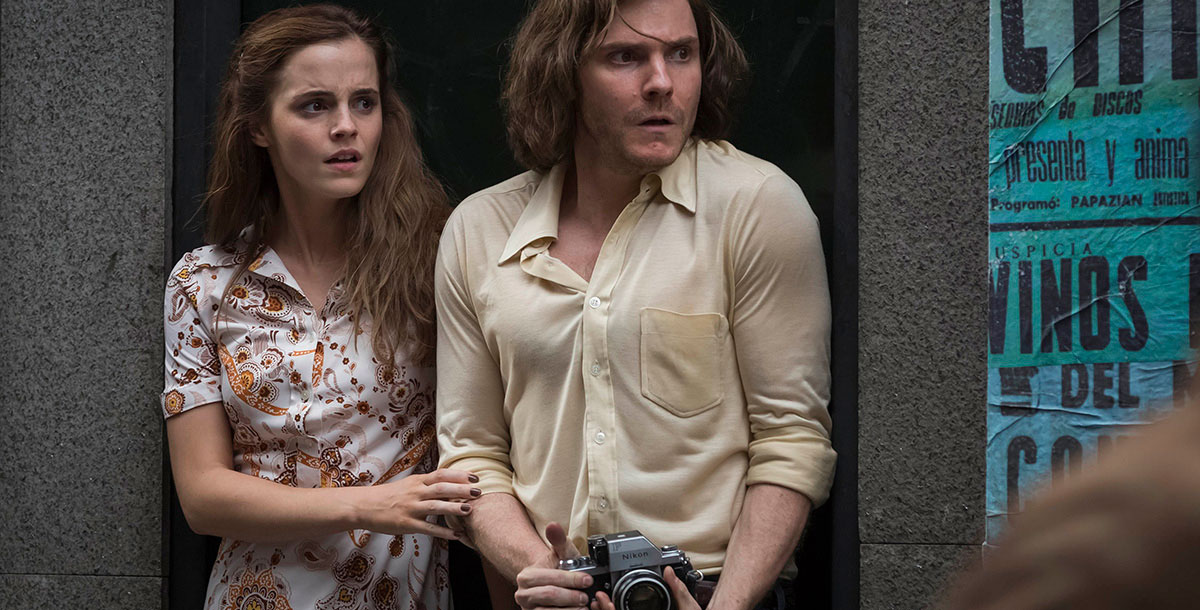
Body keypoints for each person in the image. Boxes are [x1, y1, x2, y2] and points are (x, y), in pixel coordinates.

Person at [434, 0, 836, 608]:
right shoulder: (479, 230)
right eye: (626, 57)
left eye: (682, 54)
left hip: (714, 593)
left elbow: (792, 441)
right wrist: (540, 570)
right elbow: (473, 457)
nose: (661, 82)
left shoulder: (757, 206)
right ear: (562, 73)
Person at [161, 6, 476, 609]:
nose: (346, 127)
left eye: (364, 102)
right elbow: (202, 496)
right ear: (259, 126)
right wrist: (367, 504)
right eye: (314, 106)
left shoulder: (434, 260)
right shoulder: (203, 281)